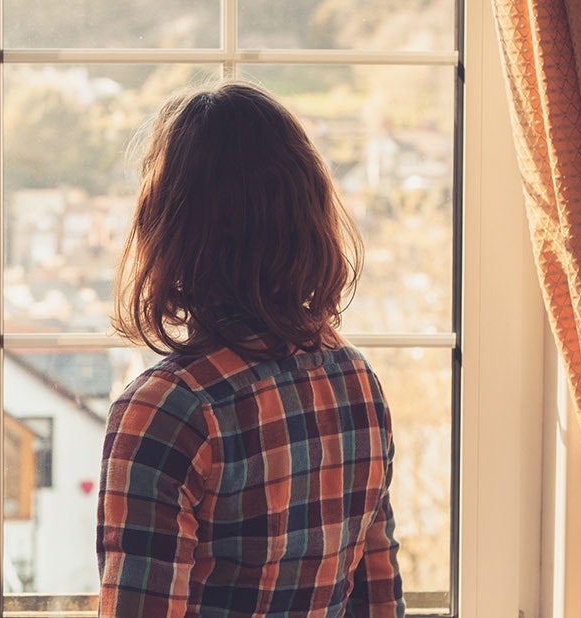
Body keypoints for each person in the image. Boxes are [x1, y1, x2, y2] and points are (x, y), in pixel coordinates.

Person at [97, 81, 403, 617]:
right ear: (309, 217)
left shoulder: (168, 411)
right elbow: (379, 597)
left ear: (168, 230)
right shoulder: (356, 380)